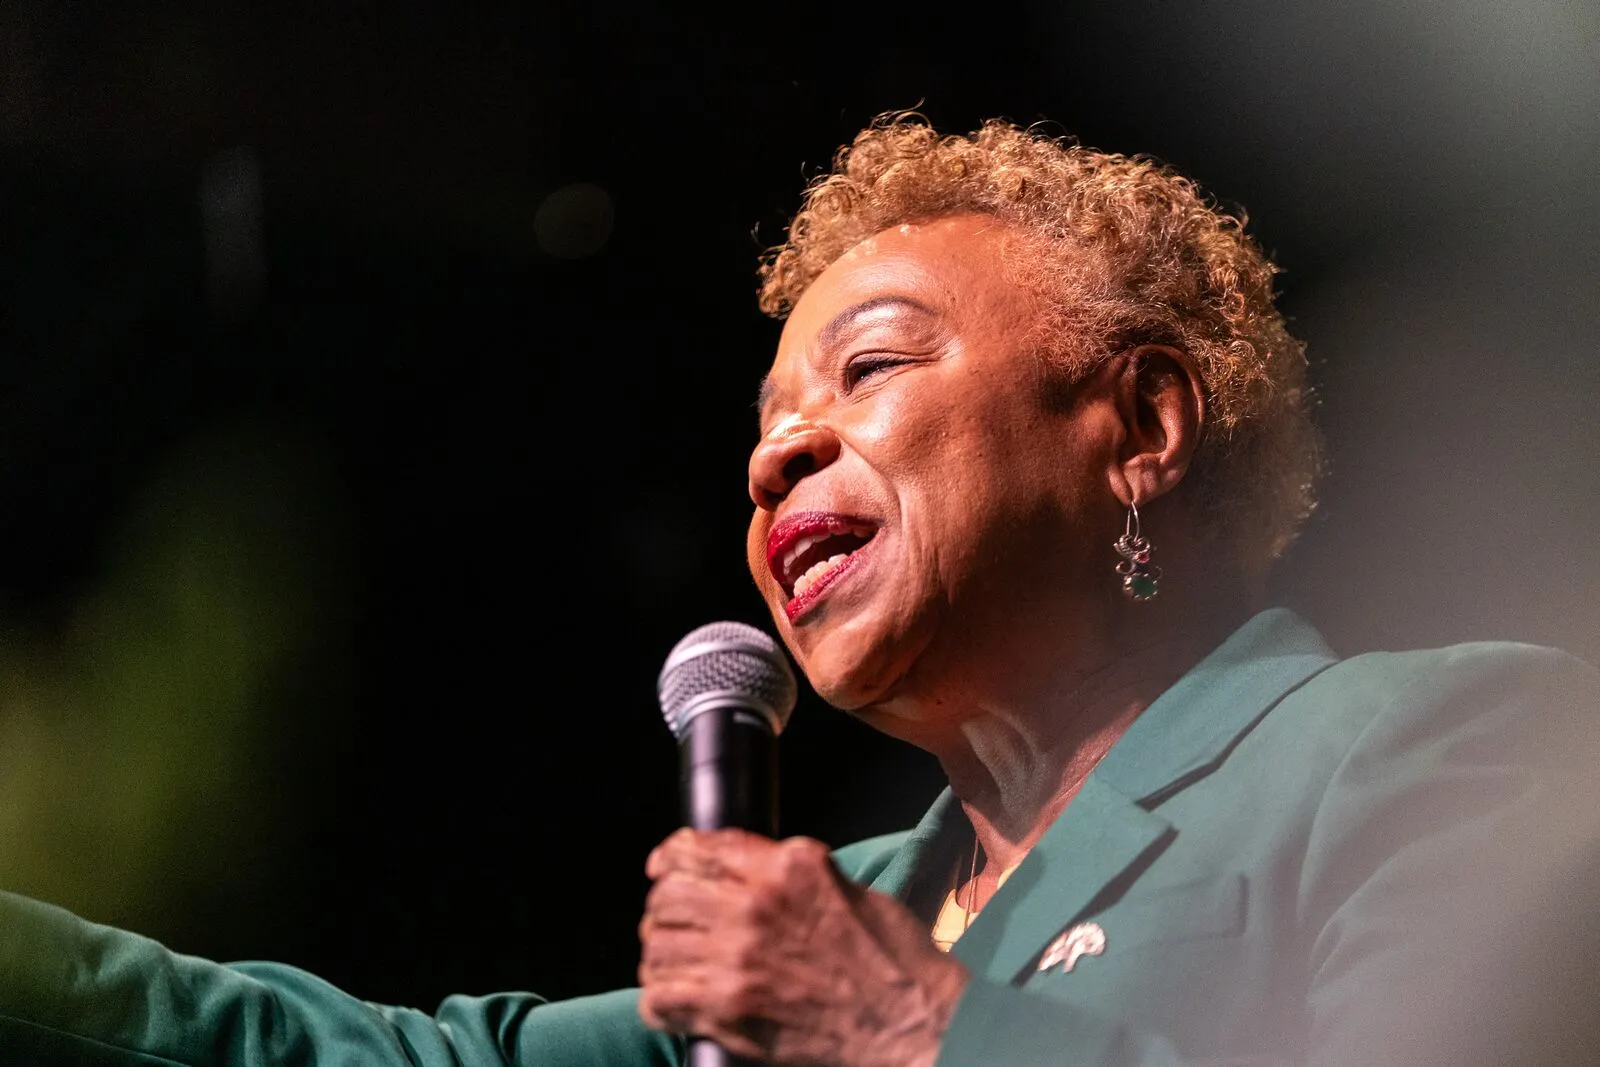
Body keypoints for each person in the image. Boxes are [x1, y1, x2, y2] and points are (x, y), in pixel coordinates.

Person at [3, 113, 1598, 1066]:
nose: (777, 455)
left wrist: (910, 1030)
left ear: (1144, 425)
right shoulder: (847, 913)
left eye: (871, 368)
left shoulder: (1432, 745)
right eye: (767, 421)